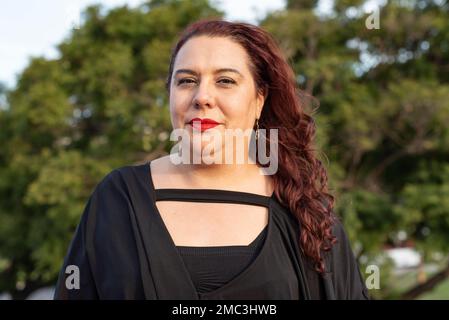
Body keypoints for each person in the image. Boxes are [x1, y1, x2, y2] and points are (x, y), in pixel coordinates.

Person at [54, 19, 369, 300]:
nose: (201, 96)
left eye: (225, 81)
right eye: (186, 80)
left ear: (260, 100)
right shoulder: (118, 200)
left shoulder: (302, 212)